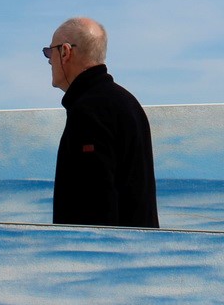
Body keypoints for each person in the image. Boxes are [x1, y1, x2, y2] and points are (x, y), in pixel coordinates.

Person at [45, 16, 159, 227]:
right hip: (138, 251)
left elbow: (92, 202)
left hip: (104, 255)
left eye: (49, 51)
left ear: (65, 52)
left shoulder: (89, 111)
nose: (49, 60)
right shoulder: (128, 102)